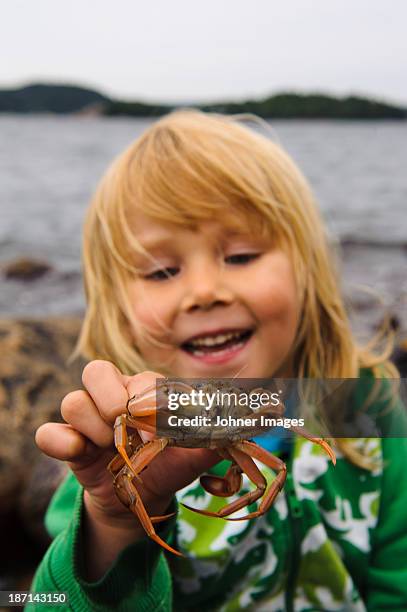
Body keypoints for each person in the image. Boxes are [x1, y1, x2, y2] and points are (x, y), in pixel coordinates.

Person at [30, 110, 407, 611]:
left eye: (241, 256)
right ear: (118, 315)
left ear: (309, 271)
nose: (204, 292)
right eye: (163, 271)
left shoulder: (369, 409)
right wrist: (115, 522)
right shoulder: (108, 467)